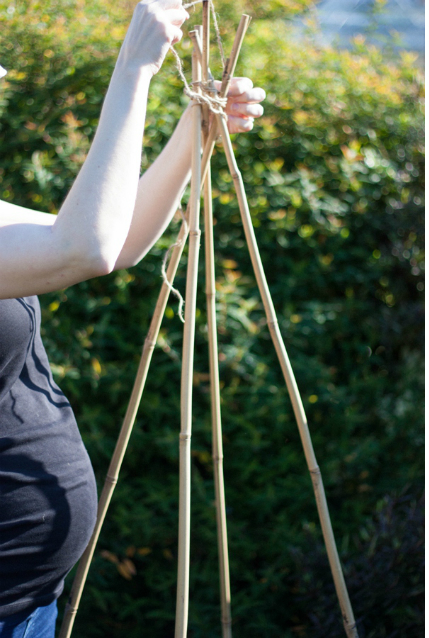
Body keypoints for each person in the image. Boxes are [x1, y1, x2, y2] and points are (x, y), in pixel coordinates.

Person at [0, 0, 266, 634]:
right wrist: (132, 68)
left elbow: (115, 242)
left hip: (26, 597)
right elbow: (80, 250)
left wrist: (193, 133)